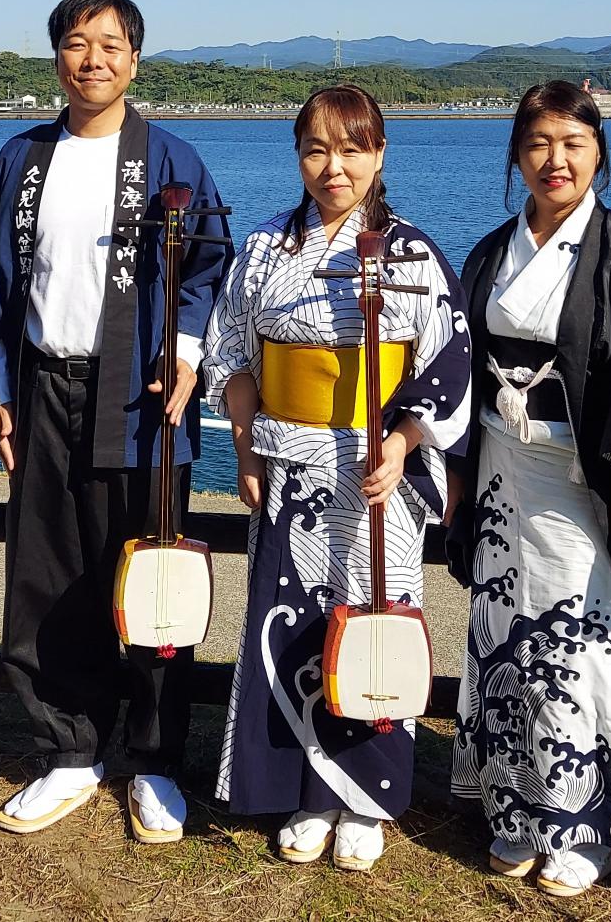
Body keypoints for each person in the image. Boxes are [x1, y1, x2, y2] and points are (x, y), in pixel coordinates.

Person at [0, 0, 230, 843]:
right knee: (47, 574)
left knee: (154, 575)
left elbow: (208, 269)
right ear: (57, 56)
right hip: (44, 386)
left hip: (142, 396)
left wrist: (187, 352)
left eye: (111, 45)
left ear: (135, 59)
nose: (94, 60)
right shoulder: (21, 159)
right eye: (77, 43)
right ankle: (69, 749)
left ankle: (155, 758)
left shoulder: (171, 160)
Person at [204, 84, 471, 872]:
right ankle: (302, 790)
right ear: (297, 156)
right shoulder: (265, 247)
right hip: (290, 463)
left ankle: (366, 798)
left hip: (373, 469)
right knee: (290, 622)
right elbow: (231, 352)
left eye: (353, 149)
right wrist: (245, 448)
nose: (334, 167)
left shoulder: (412, 252)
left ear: (380, 154)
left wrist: (405, 439)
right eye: (317, 149)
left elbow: (448, 360)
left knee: (372, 619)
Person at [446, 81, 611, 898]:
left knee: (580, 643)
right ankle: (514, 804)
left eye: (574, 143)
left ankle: (588, 824)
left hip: (583, 479)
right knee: (502, 632)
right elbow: (459, 372)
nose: (557, 159)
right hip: (502, 469)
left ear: (599, 153)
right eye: (539, 142)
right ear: (517, 155)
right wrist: (458, 480)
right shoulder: (491, 252)